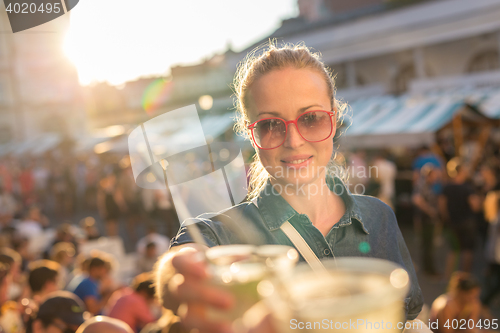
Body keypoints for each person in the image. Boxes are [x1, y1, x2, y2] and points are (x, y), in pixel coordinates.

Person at [157, 42, 424, 333]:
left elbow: (409, 319)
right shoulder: (223, 234)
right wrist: (177, 275)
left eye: (311, 119)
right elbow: (184, 260)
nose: (293, 140)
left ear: (333, 120)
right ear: (250, 132)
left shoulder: (379, 216)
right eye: (270, 125)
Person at [439, 159, 481, 278]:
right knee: (467, 251)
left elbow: (442, 205)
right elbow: (475, 206)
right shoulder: (467, 188)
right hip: (467, 223)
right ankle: (464, 277)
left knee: (453, 250)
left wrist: (446, 218)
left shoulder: (447, 187)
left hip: (452, 222)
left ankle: (448, 276)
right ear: (461, 171)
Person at [412, 164, 441, 277]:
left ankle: (428, 269)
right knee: (428, 246)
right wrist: (430, 211)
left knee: (427, 245)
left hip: (427, 220)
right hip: (425, 220)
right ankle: (429, 270)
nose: (436, 178)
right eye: (434, 175)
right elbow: (417, 200)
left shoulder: (427, 185)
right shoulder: (422, 185)